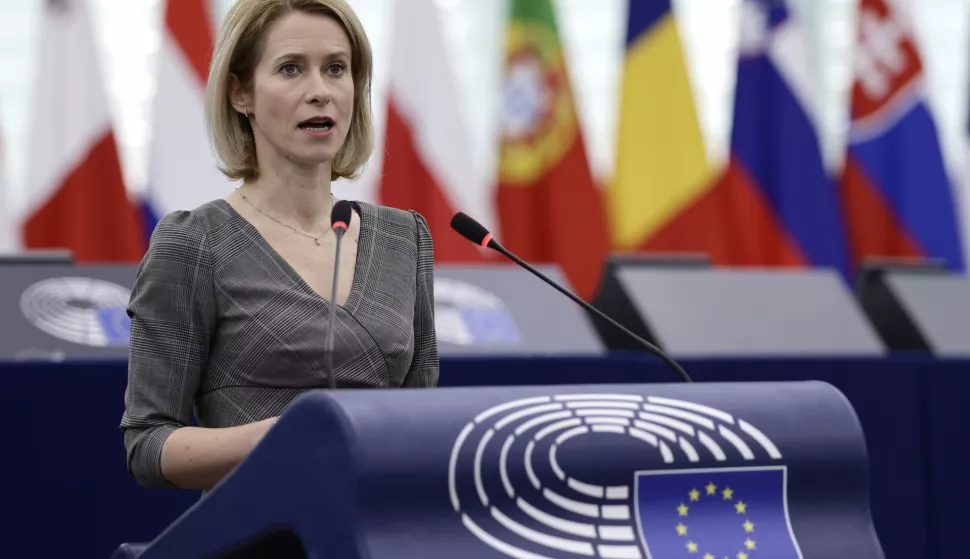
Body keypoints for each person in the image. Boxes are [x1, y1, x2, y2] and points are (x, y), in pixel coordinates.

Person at [120, 0, 438, 491]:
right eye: (291, 69)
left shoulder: (405, 238)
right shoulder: (193, 243)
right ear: (240, 92)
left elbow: (424, 424)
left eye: (336, 69)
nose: (320, 91)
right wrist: (280, 437)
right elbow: (148, 443)